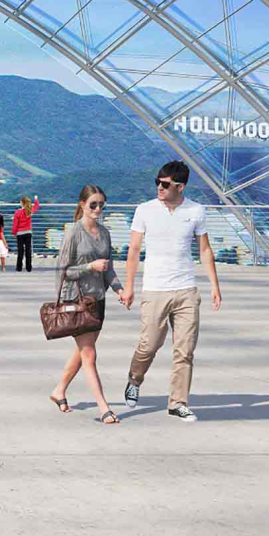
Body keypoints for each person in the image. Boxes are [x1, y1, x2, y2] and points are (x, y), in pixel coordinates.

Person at [121, 160, 221, 422]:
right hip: (155, 289)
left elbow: (204, 250)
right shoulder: (144, 210)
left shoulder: (196, 211)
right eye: (158, 182)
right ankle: (135, 378)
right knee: (149, 344)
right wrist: (129, 286)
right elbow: (133, 250)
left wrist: (214, 286)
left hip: (186, 288)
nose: (159, 187)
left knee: (185, 350)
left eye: (165, 184)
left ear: (180, 186)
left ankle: (178, 402)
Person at [49, 184, 122, 425]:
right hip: (76, 300)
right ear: (82, 205)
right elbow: (63, 271)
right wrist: (89, 267)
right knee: (89, 354)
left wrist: (119, 289)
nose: (98, 209)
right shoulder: (73, 233)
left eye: (101, 204)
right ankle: (104, 408)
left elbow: (108, 268)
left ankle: (59, 390)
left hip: (97, 300)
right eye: (93, 204)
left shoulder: (105, 233)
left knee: (83, 352)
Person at [13, 197, 35, 272]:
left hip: (20, 233)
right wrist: (35, 199)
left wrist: (14, 232)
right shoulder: (30, 211)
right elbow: (37, 206)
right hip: (28, 233)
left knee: (20, 251)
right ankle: (29, 267)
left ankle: (19, 267)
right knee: (28, 250)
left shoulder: (17, 212)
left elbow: (15, 224)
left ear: (22, 203)